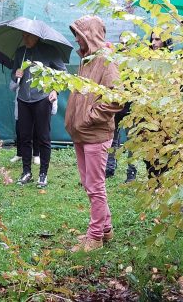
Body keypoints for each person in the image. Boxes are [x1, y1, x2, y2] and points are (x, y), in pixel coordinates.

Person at [66, 16, 122, 252]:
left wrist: (88, 118)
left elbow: (116, 98)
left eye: (79, 33)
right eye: (76, 33)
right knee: (90, 185)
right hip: (82, 133)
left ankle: (95, 236)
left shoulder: (106, 60)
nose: (76, 38)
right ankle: (106, 230)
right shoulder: (85, 60)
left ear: (91, 34)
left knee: (96, 186)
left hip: (96, 134)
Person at [12, 32, 66, 188]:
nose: (25, 39)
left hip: (43, 98)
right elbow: (13, 74)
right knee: (24, 136)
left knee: (43, 137)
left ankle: (43, 174)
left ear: (36, 36)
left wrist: (55, 90)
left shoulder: (50, 51)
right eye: (23, 36)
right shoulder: (20, 52)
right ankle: (26, 172)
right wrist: (16, 75)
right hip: (23, 99)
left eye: (28, 36)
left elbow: (63, 73)